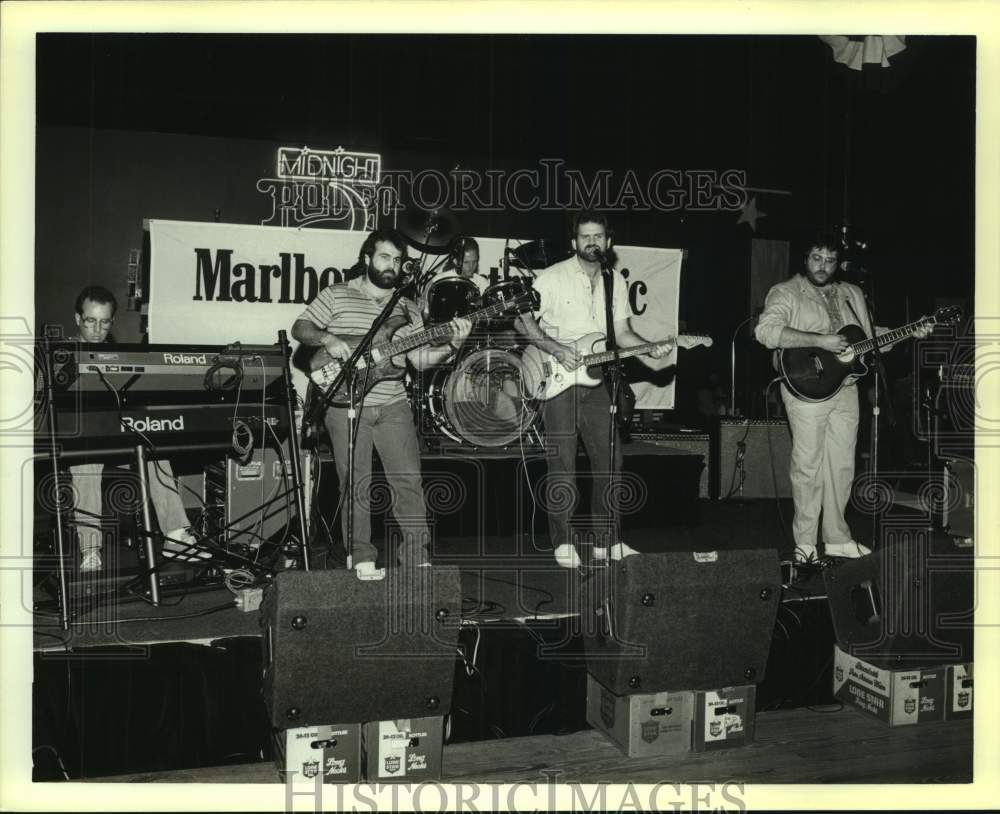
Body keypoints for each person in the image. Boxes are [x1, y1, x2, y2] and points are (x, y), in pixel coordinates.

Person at [291, 228, 471, 580]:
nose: (393, 265)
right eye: (385, 257)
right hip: (345, 405)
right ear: (366, 258)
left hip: (393, 404)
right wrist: (328, 338)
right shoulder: (337, 294)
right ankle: (360, 555)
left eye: (398, 259)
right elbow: (300, 328)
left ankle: (416, 556)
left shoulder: (409, 308)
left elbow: (418, 361)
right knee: (355, 482)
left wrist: (453, 345)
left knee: (408, 482)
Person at [754, 233, 932, 562]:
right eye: (816, 258)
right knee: (808, 466)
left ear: (839, 263)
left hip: (847, 388)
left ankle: (836, 537)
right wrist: (820, 341)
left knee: (841, 465)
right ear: (804, 259)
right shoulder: (786, 292)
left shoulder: (852, 293)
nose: (823, 266)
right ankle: (805, 544)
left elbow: (867, 338)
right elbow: (766, 332)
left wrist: (909, 330)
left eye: (830, 260)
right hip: (807, 389)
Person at [516, 210, 672, 568]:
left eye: (598, 236)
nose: (591, 242)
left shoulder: (615, 279)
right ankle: (562, 541)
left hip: (599, 378)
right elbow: (521, 319)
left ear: (609, 242)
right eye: (585, 236)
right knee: (563, 464)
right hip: (559, 379)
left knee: (611, 462)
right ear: (574, 242)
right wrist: (555, 349)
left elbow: (623, 331)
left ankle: (608, 540)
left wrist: (649, 346)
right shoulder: (552, 277)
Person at [68, 285, 204, 571]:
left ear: (112, 323)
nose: (97, 329)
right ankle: (90, 549)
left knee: (155, 452)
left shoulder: (120, 356)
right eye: (90, 320)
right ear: (78, 319)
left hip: (118, 434)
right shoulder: (63, 355)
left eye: (104, 322)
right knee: (86, 461)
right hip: (83, 438)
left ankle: (176, 536)